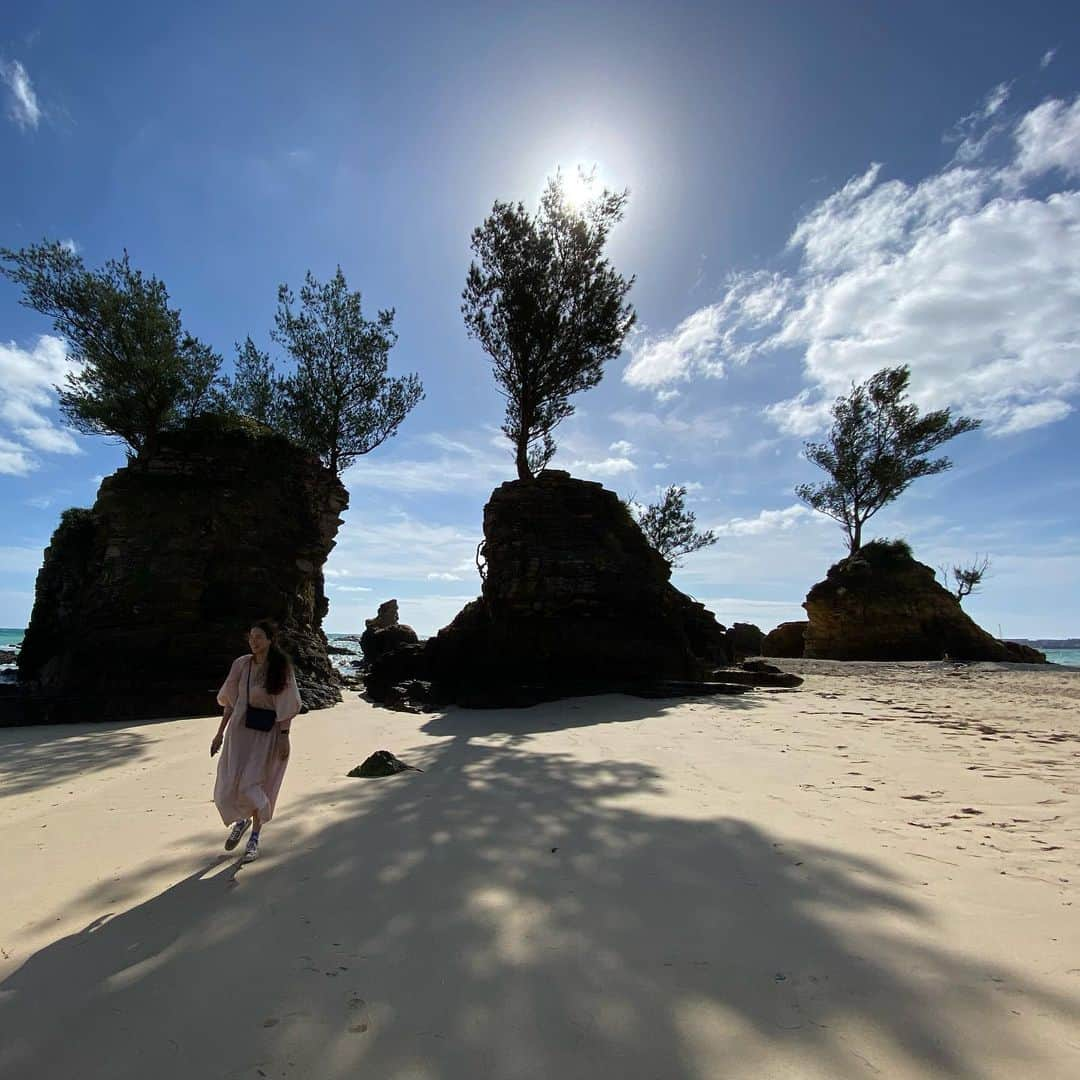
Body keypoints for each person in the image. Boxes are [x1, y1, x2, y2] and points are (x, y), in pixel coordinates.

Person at [210, 619, 302, 863]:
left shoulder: (281, 667)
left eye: (259, 637)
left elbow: (287, 706)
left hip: (267, 733)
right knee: (230, 783)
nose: (253, 641)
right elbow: (230, 701)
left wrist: (285, 737)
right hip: (239, 731)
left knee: (255, 784)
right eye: (251, 637)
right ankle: (241, 821)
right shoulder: (241, 664)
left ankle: (254, 838)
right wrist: (220, 733)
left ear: (270, 640)